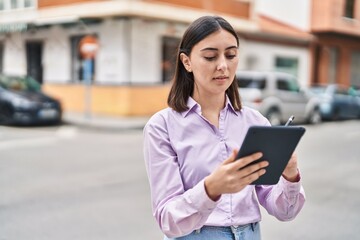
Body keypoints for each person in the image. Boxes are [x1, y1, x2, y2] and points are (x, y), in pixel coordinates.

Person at [143, 15, 305, 240]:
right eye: (210, 56)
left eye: (231, 55)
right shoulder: (162, 127)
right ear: (186, 61)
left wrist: (290, 175)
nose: (223, 66)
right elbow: (167, 220)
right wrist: (211, 188)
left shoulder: (255, 122)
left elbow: (285, 212)